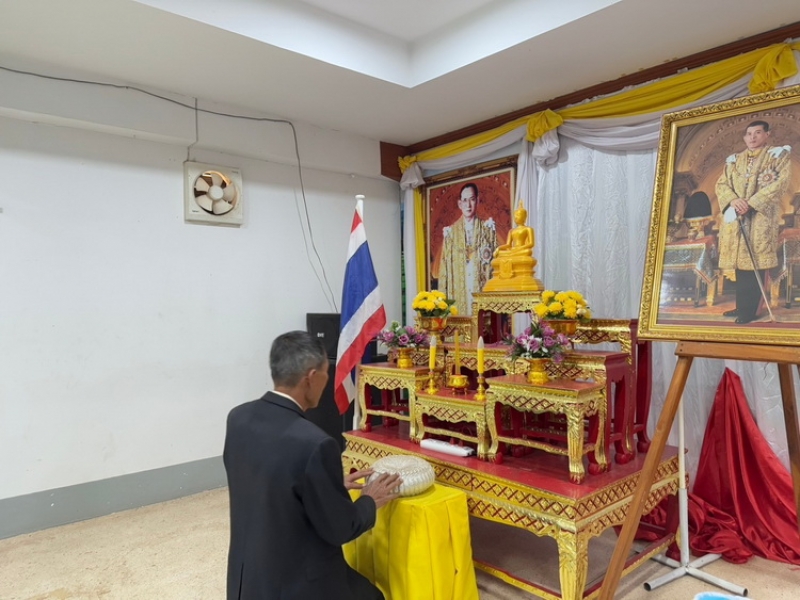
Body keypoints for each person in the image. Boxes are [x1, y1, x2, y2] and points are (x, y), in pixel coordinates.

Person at [223, 331, 401, 599]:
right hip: (297, 584)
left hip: (247, 578)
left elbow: (267, 478)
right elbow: (341, 528)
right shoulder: (315, 443)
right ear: (311, 378)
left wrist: (325, 485)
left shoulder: (238, 418)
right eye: (327, 374)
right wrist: (368, 499)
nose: (327, 382)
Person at [716, 120, 791, 324]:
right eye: (749, 134)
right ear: (744, 137)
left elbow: (780, 184)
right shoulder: (734, 160)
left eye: (757, 133)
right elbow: (722, 184)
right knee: (741, 265)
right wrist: (733, 201)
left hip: (760, 218)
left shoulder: (777, 156)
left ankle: (751, 311)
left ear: (767, 134)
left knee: (755, 264)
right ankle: (742, 306)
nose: (753, 137)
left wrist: (751, 203)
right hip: (737, 218)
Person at [437, 183, 498, 314]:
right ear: (460, 204)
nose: (468, 205)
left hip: (481, 295)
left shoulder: (487, 231)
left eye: (472, 199)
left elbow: (496, 268)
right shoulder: (451, 234)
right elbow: (443, 273)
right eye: (465, 200)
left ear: (477, 200)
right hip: (459, 297)